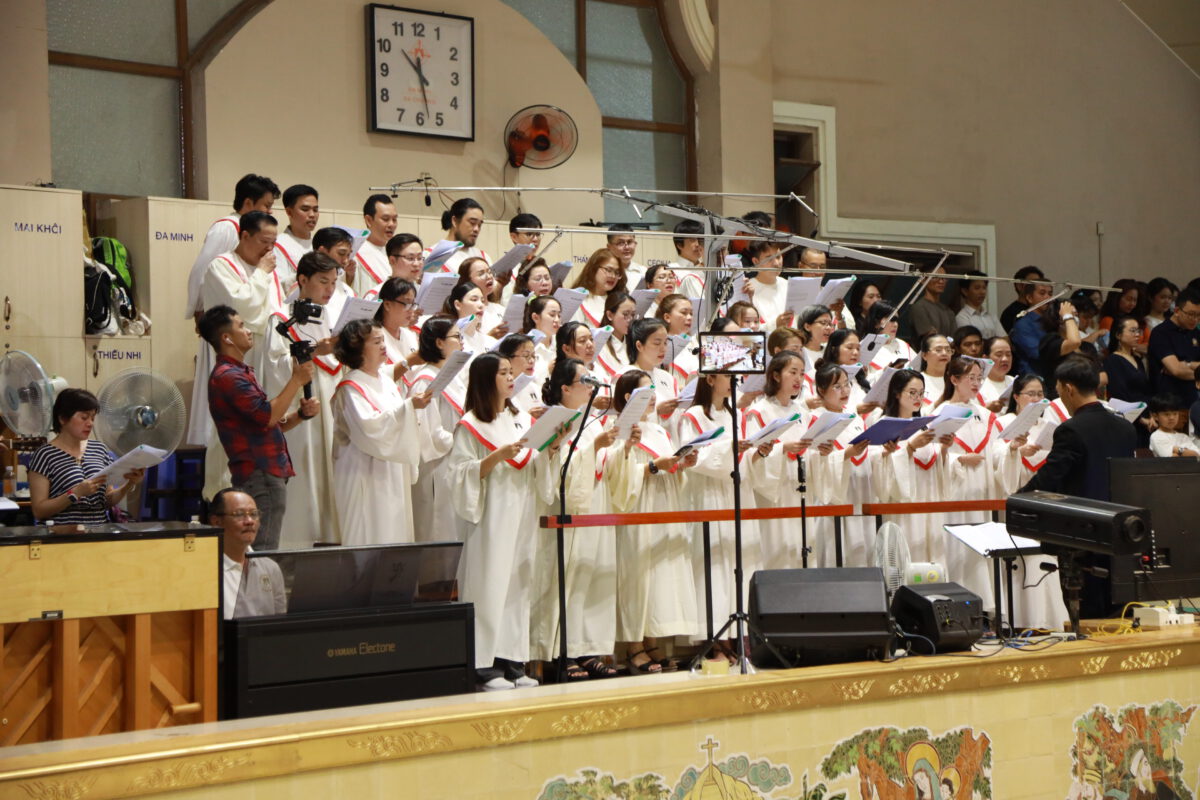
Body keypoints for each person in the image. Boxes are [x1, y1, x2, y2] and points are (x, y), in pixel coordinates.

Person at [447, 352, 558, 690]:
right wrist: (497, 456)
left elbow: (535, 462)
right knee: (489, 585)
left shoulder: (521, 418)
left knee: (516, 587)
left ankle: (513, 662)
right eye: (504, 373)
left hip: (521, 512)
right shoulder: (470, 424)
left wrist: (551, 449)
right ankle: (484, 666)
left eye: (512, 372)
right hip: (490, 517)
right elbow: (459, 474)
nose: (512, 378)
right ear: (486, 379)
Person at [1021, 356, 1137, 617]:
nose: (1060, 397)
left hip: (1083, 532)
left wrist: (1018, 499)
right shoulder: (1125, 428)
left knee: (1086, 611)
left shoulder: (1071, 429)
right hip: (1122, 529)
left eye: (1059, 391)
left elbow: (1051, 476)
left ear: (1069, 388)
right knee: (1120, 611)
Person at [528, 358, 620, 680]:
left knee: (589, 577)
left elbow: (603, 462)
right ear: (565, 388)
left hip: (595, 502)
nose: (591, 385)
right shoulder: (555, 418)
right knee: (564, 577)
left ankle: (585, 648)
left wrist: (620, 448)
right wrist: (594, 447)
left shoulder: (593, 419)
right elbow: (553, 465)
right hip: (566, 506)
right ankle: (559, 651)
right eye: (585, 380)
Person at [199, 305, 320, 550]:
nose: (248, 331)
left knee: (263, 546)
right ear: (227, 338)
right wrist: (296, 380)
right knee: (264, 549)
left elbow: (265, 425)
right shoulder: (229, 376)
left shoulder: (238, 372)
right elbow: (267, 417)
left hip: (263, 471)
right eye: (241, 326)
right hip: (260, 472)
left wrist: (300, 415)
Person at [607, 369, 699, 673]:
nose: (652, 398)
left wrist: (682, 465)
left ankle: (652, 641)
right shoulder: (617, 429)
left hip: (664, 505)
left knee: (659, 574)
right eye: (645, 393)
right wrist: (652, 468)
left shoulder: (659, 431)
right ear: (627, 397)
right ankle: (633, 646)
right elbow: (615, 475)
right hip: (637, 507)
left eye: (652, 392)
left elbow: (668, 468)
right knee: (638, 575)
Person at [194, 210, 288, 498]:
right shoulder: (220, 266)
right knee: (233, 427)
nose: (268, 250)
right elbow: (241, 309)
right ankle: (224, 495)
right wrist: (261, 274)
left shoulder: (268, 270)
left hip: (267, 355)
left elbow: (276, 311)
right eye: (263, 242)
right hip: (235, 360)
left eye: (273, 243)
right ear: (244, 235)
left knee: (266, 422)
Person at [680, 370, 766, 661]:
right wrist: (728, 448)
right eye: (727, 376)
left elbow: (744, 460)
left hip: (737, 491)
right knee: (714, 565)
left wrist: (759, 452)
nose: (733, 381)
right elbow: (691, 458)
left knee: (740, 562)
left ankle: (737, 636)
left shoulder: (736, 416)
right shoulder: (692, 416)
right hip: (708, 493)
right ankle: (713, 639)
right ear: (710, 380)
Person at [331, 319, 431, 545]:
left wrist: (409, 410)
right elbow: (369, 428)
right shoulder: (351, 388)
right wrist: (409, 407)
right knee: (370, 534)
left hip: (392, 471)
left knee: (395, 533)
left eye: (383, 340)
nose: (384, 346)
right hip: (363, 472)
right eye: (376, 342)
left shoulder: (384, 381)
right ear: (358, 347)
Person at [271, 252, 342, 548]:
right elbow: (274, 364)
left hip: (330, 402)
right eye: (323, 281)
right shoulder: (282, 318)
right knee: (306, 470)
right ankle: (298, 541)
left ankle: (331, 538)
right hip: (302, 405)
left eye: (334, 283)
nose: (330, 289)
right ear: (302, 279)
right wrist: (314, 351)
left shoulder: (328, 316)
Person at [27, 388, 145, 525]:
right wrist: (74, 494)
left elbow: (107, 500)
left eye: (92, 418)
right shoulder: (44, 455)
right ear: (62, 418)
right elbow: (39, 511)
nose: (90, 423)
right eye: (84, 417)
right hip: (62, 533)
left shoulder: (99, 449)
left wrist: (129, 483)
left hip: (99, 531)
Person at [744, 351, 810, 567]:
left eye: (802, 373)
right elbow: (751, 455)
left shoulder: (802, 411)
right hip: (773, 488)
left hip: (799, 486)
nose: (799, 379)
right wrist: (783, 448)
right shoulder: (758, 411)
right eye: (793, 372)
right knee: (776, 547)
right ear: (775, 375)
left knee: (802, 545)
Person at [184, 173, 279, 320]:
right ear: (248, 203)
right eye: (267, 206)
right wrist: (199, 309)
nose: (270, 211)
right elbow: (203, 270)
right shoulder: (226, 228)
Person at [214, 488, 286, 620]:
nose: (249, 521)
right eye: (239, 514)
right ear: (217, 522)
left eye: (254, 514)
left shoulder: (270, 568)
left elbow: (280, 624)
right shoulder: (207, 570)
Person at [1147, 286, 1200, 405]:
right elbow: (1176, 370)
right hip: (1168, 403)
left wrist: (1188, 365)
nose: (1195, 319)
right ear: (1176, 311)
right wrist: (1194, 371)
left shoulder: (1195, 332)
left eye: (1199, 315)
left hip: (1193, 398)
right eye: (1191, 314)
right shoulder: (1161, 333)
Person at [272, 184, 319, 295]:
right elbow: (278, 285)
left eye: (315, 209)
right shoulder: (278, 244)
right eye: (305, 209)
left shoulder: (318, 244)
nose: (312, 215)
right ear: (289, 212)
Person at [374, 277, 419, 380]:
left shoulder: (410, 335)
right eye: (406, 304)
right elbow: (378, 376)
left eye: (412, 304)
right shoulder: (374, 337)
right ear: (387, 305)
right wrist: (410, 361)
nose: (411, 310)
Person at [429, 197, 490, 273]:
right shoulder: (433, 256)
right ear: (454, 221)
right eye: (472, 223)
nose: (476, 229)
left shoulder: (483, 256)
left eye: (479, 225)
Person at [353, 194, 397, 296]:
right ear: (368, 220)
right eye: (385, 219)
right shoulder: (356, 252)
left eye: (394, 219)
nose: (391, 224)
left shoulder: (396, 251)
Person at [570, 248, 625, 327]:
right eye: (608, 270)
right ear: (593, 269)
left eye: (617, 272)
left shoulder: (619, 301)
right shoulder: (577, 299)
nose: (613, 276)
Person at [745, 241, 791, 331]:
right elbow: (748, 329)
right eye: (769, 259)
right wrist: (775, 324)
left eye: (778, 257)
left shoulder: (788, 285)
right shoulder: (748, 290)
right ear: (756, 262)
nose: (776, 263)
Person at [906, 266, 957, 341]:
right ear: (923, 280)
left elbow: (954, 338)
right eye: (935, 277)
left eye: (944, 278)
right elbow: (930, 338)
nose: (941, 281)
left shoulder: (948, 311)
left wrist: (950, 342)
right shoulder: (919, 307)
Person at [954, 273, 1005, 339]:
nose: (982, 292)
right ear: (965, 291)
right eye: (977, 288)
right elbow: (970, 341)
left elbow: (1005, 338)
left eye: (984, 288)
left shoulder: (991, 316)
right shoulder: (962, 317)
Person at [1147, 393, 1199, 458]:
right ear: (1155, 416)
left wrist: (1176, 449)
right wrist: (1184, 451)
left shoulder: (1184, 437)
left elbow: (1197, 455)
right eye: (1166, 414)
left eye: (1175, 414)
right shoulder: (1156, 436)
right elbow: (1171, 459)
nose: (1172, 418)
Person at [1000, 265, 1046, 332]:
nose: (1037, 287)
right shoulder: (1010, 314)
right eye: (1032, 283)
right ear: (1019, 286)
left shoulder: (1043, 309)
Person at [668, 220, 706, 299]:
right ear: (679, 245)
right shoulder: (670, 270)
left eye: (700, 240)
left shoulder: (707, 269)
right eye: (693, 240)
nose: (698, 244)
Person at [606, 223, 647, 290]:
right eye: (621, 243)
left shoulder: (644, 272)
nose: (627, 247)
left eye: (630, 242)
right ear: (609, 247)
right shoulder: (603, 272)